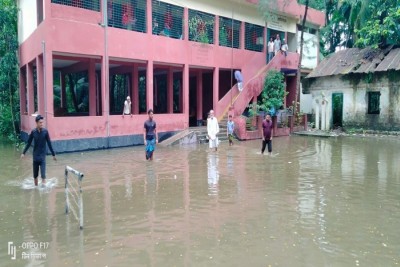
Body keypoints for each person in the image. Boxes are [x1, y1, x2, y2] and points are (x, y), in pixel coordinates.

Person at [21, 115, 57, 186]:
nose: (42, 124)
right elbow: (28, 143)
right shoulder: (33, 132)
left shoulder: (45, 132)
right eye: (40, 122)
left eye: (42, 122)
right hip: (35, 158)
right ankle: (36, 190)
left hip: (42, 158)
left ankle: (43, 192)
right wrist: (23, 153)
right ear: (36, 123)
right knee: (35, 176)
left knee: (43, 176)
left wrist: (53, 154)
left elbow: (49, 143)